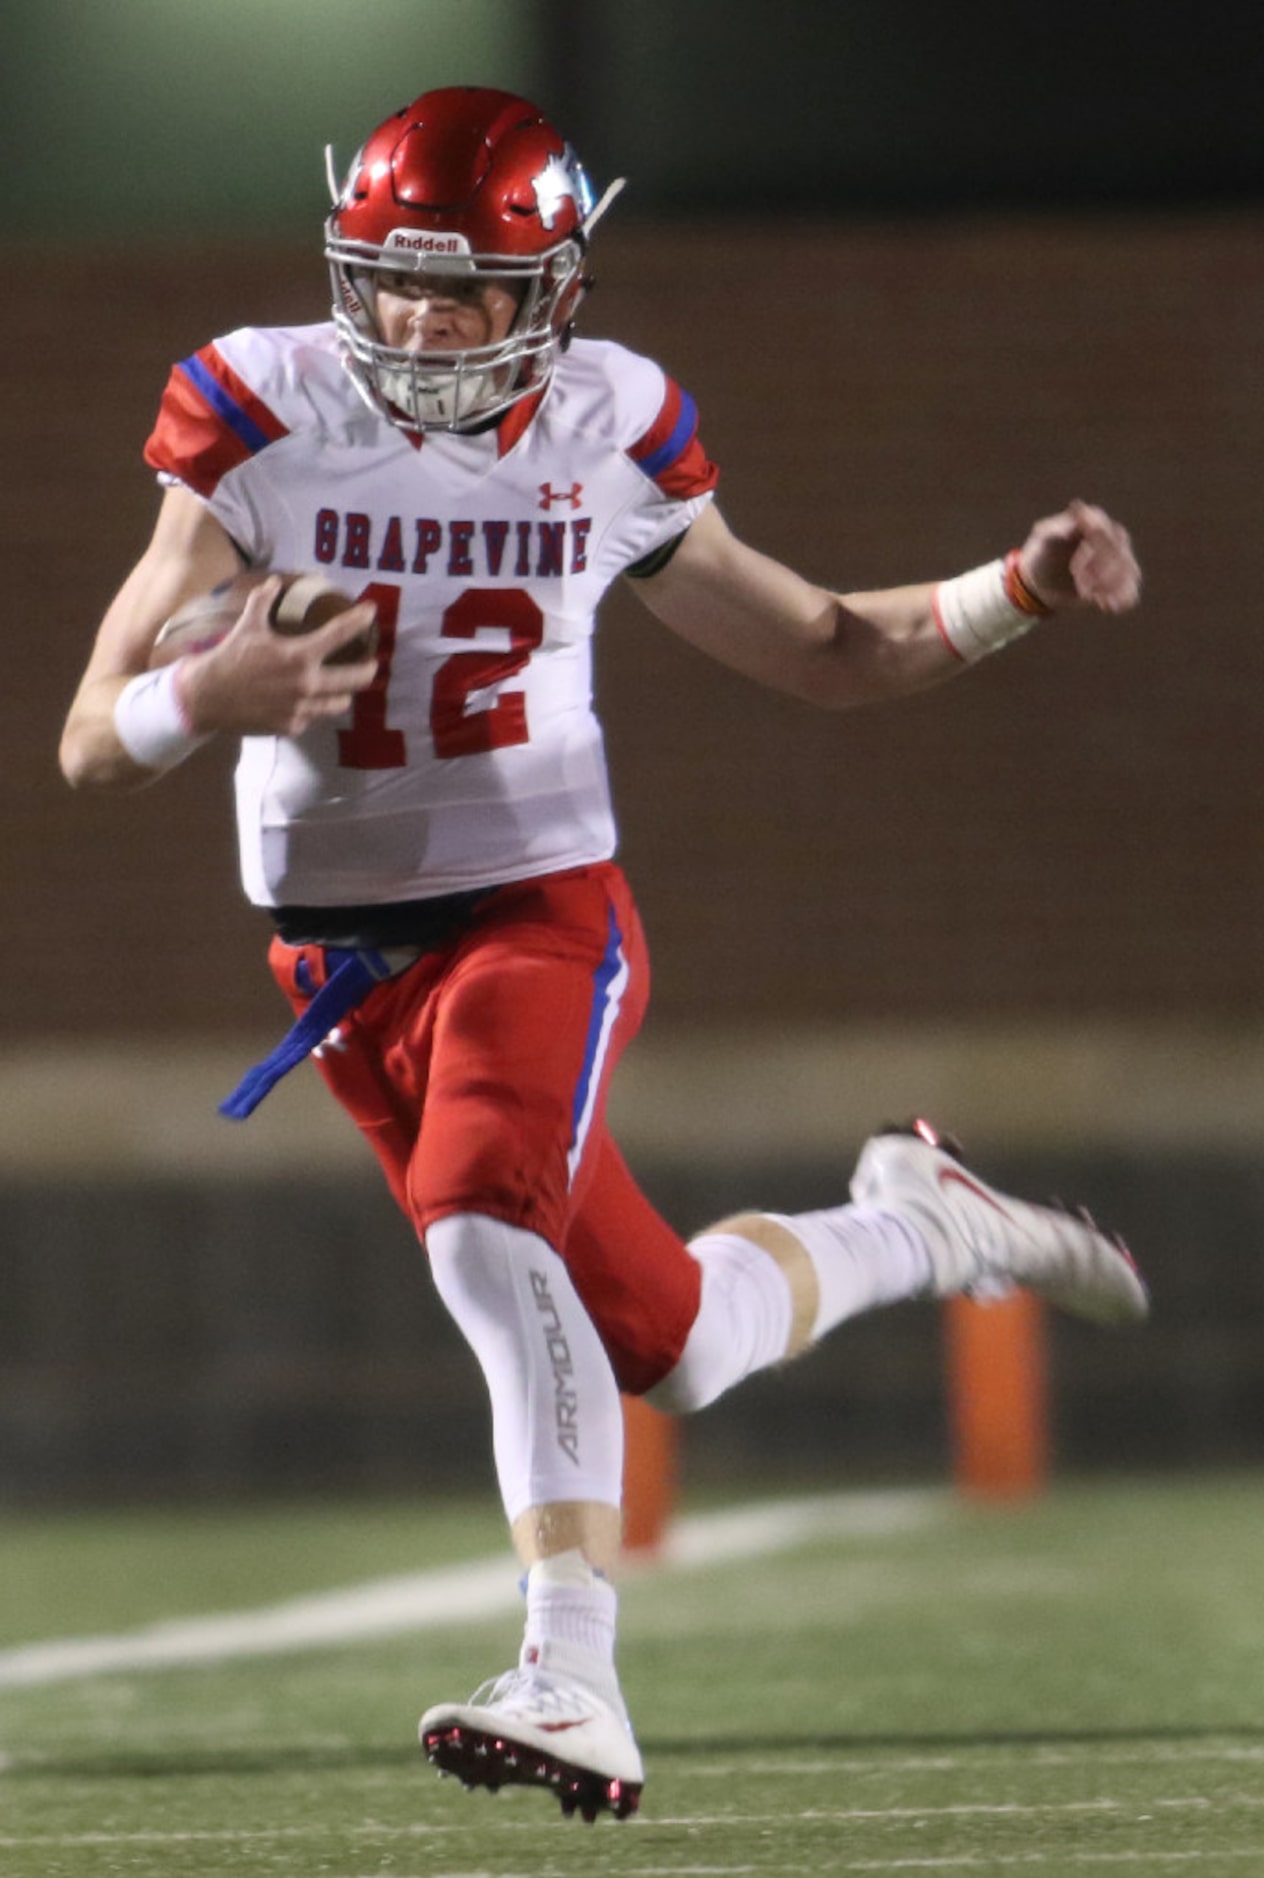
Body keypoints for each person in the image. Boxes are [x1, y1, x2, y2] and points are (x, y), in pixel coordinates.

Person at [60, 86, 1149, 1823]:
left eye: (469, 291)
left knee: (492, 1235)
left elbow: (828, 647)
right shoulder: (260, 406)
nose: (422, 324)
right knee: (678, 1343)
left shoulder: (610, 427)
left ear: (551, 292)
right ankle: (920, 1218)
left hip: (535, 907)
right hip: (340, 973)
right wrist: (212, 689)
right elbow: (90, 737)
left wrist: (1010, 583)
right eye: (395, 282)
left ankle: (570, 1666)